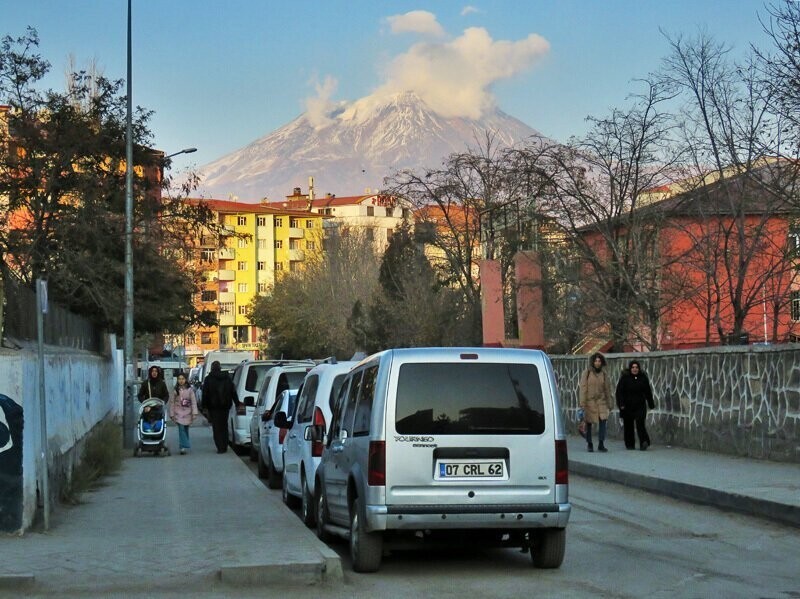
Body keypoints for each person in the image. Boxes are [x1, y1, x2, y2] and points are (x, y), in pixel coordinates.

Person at [615, 359, 655, 451]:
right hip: (627, 406)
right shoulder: (625, 378)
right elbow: (619, 392)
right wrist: (621, 404)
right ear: (630, 368)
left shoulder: (643, 378)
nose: (635, 369)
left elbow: (648, 391)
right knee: (628, 425)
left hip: (640, 405)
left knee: (640, 424)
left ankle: (644, 442)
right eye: (633, 367)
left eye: (636, 367)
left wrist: (651, 403)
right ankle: (629, 444)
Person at [201, 361, 240, 453]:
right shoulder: (227, 378)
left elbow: (205, 394)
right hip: (225, 406)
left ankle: (220, 447)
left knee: (216, 427)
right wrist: (237, 403)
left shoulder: (208, 379)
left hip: (213, 408)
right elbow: (233, 391)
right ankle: (225, 445)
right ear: (220, 368)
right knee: (224, 426)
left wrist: (204, 406)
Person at [578, 352, 613, 453]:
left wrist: (609, 403)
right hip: (590, 402)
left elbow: (607, 389)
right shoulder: (587, 373)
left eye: (599, 361)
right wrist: (582, 403)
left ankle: (601, 443)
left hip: (601, 402)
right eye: (596, 361)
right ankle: (589, 443)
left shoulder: (604, 374)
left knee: (603, 422)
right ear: (592, 362)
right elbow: (583, 388)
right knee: (588, 423)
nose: (597, 363)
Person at [169, 372, 199, 455]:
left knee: (185, 429)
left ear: (185, 380)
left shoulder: (190, 390)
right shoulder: (175, 390)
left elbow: (193, 402)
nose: (181, 381)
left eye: (182, 379)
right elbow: (171, 403)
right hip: (178, 413)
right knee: (181, 428)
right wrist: (171, 414)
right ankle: (183, 446)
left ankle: (183, 445)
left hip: (188, 413)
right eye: (179, 379)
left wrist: (194, 413)